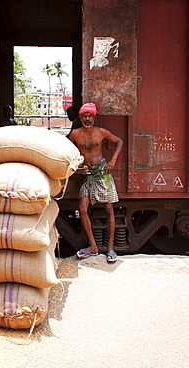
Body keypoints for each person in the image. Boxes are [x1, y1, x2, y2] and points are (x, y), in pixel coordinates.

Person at [68, 102, 123, 262]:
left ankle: (111, 249)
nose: (87, 118)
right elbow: (67, 151)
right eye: (84, 116)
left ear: (94, 117)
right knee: (82, 208)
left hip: (102, 172)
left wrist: (112, 161)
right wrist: (75, 166)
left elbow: (119, 141)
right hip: (87, 174)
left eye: (90, 116)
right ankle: (93, 246)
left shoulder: (101, 132)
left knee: (108, 209)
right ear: (80, 117)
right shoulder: (75, 134)